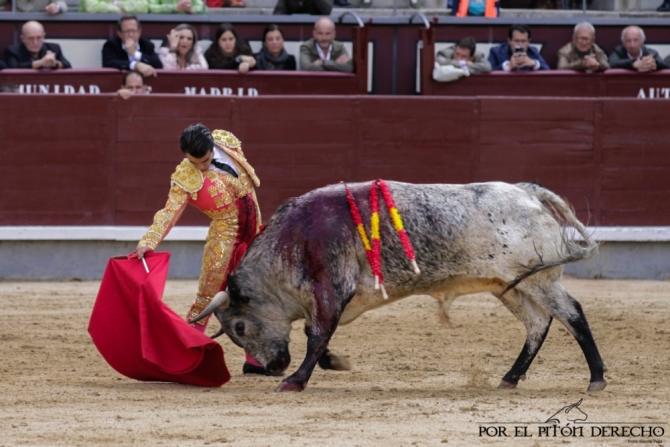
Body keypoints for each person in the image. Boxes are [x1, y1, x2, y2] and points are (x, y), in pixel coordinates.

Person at [136, 123, 268, 375]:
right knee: (208, 299)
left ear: (212, 148)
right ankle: (182, 355)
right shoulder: (185, 177)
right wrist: (149, 241)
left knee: (252, 297)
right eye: (194, 163)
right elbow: (169, 213)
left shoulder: (227, 142)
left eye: (205, 161)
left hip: (254, 235)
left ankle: (255, 360)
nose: (201, 167)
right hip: (224, 239)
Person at [4, 21, 71, 69]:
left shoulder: (54, 48)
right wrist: (41, 62)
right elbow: (14, 68)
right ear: (23, 38)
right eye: (30, 38)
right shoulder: (12, 51)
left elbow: (67, 65)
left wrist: (55, 63)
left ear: (43, 36)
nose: (35, 42)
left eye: (39, 38)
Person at [79, 0, 149, 13]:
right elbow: (91, 6)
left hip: (129, 29)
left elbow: (144, 6)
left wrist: (117, 3)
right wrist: (116, 10)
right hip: (96, 27)